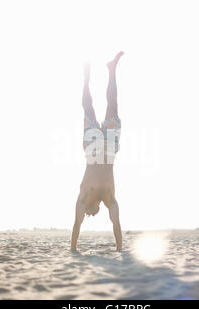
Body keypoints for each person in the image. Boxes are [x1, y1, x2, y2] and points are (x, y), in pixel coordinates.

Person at [70, 51, 124, 252]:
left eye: (88, 215)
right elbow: (116, 224)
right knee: (113, 105)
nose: (90, 215)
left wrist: (73, 249)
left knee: (87, 107)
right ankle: (112, 69)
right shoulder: (109, 198)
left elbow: (76, 224)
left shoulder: (84, 196)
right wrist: (119, 249)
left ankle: (86, 75)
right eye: (92, 214)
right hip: (109, 149)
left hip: (93, 149)